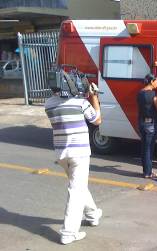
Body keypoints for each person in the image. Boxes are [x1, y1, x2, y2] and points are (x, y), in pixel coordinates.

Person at [45, 78, 103, 244]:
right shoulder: (80, 103)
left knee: (79, 186)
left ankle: (92, 214)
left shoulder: (48, 104)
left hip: (62, 153)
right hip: (79, 153)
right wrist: (93, 97)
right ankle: (68, 233)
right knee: (76, 191)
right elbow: (97, 120)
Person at [137, 73, 157, 178]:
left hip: (141, 123)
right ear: (151, 82)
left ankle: (145, 171)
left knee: (144, 147)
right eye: (156, 82)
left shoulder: (139, 93)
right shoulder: (153, 95)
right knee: (149, 149)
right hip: (150, 124)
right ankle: (148, 173)